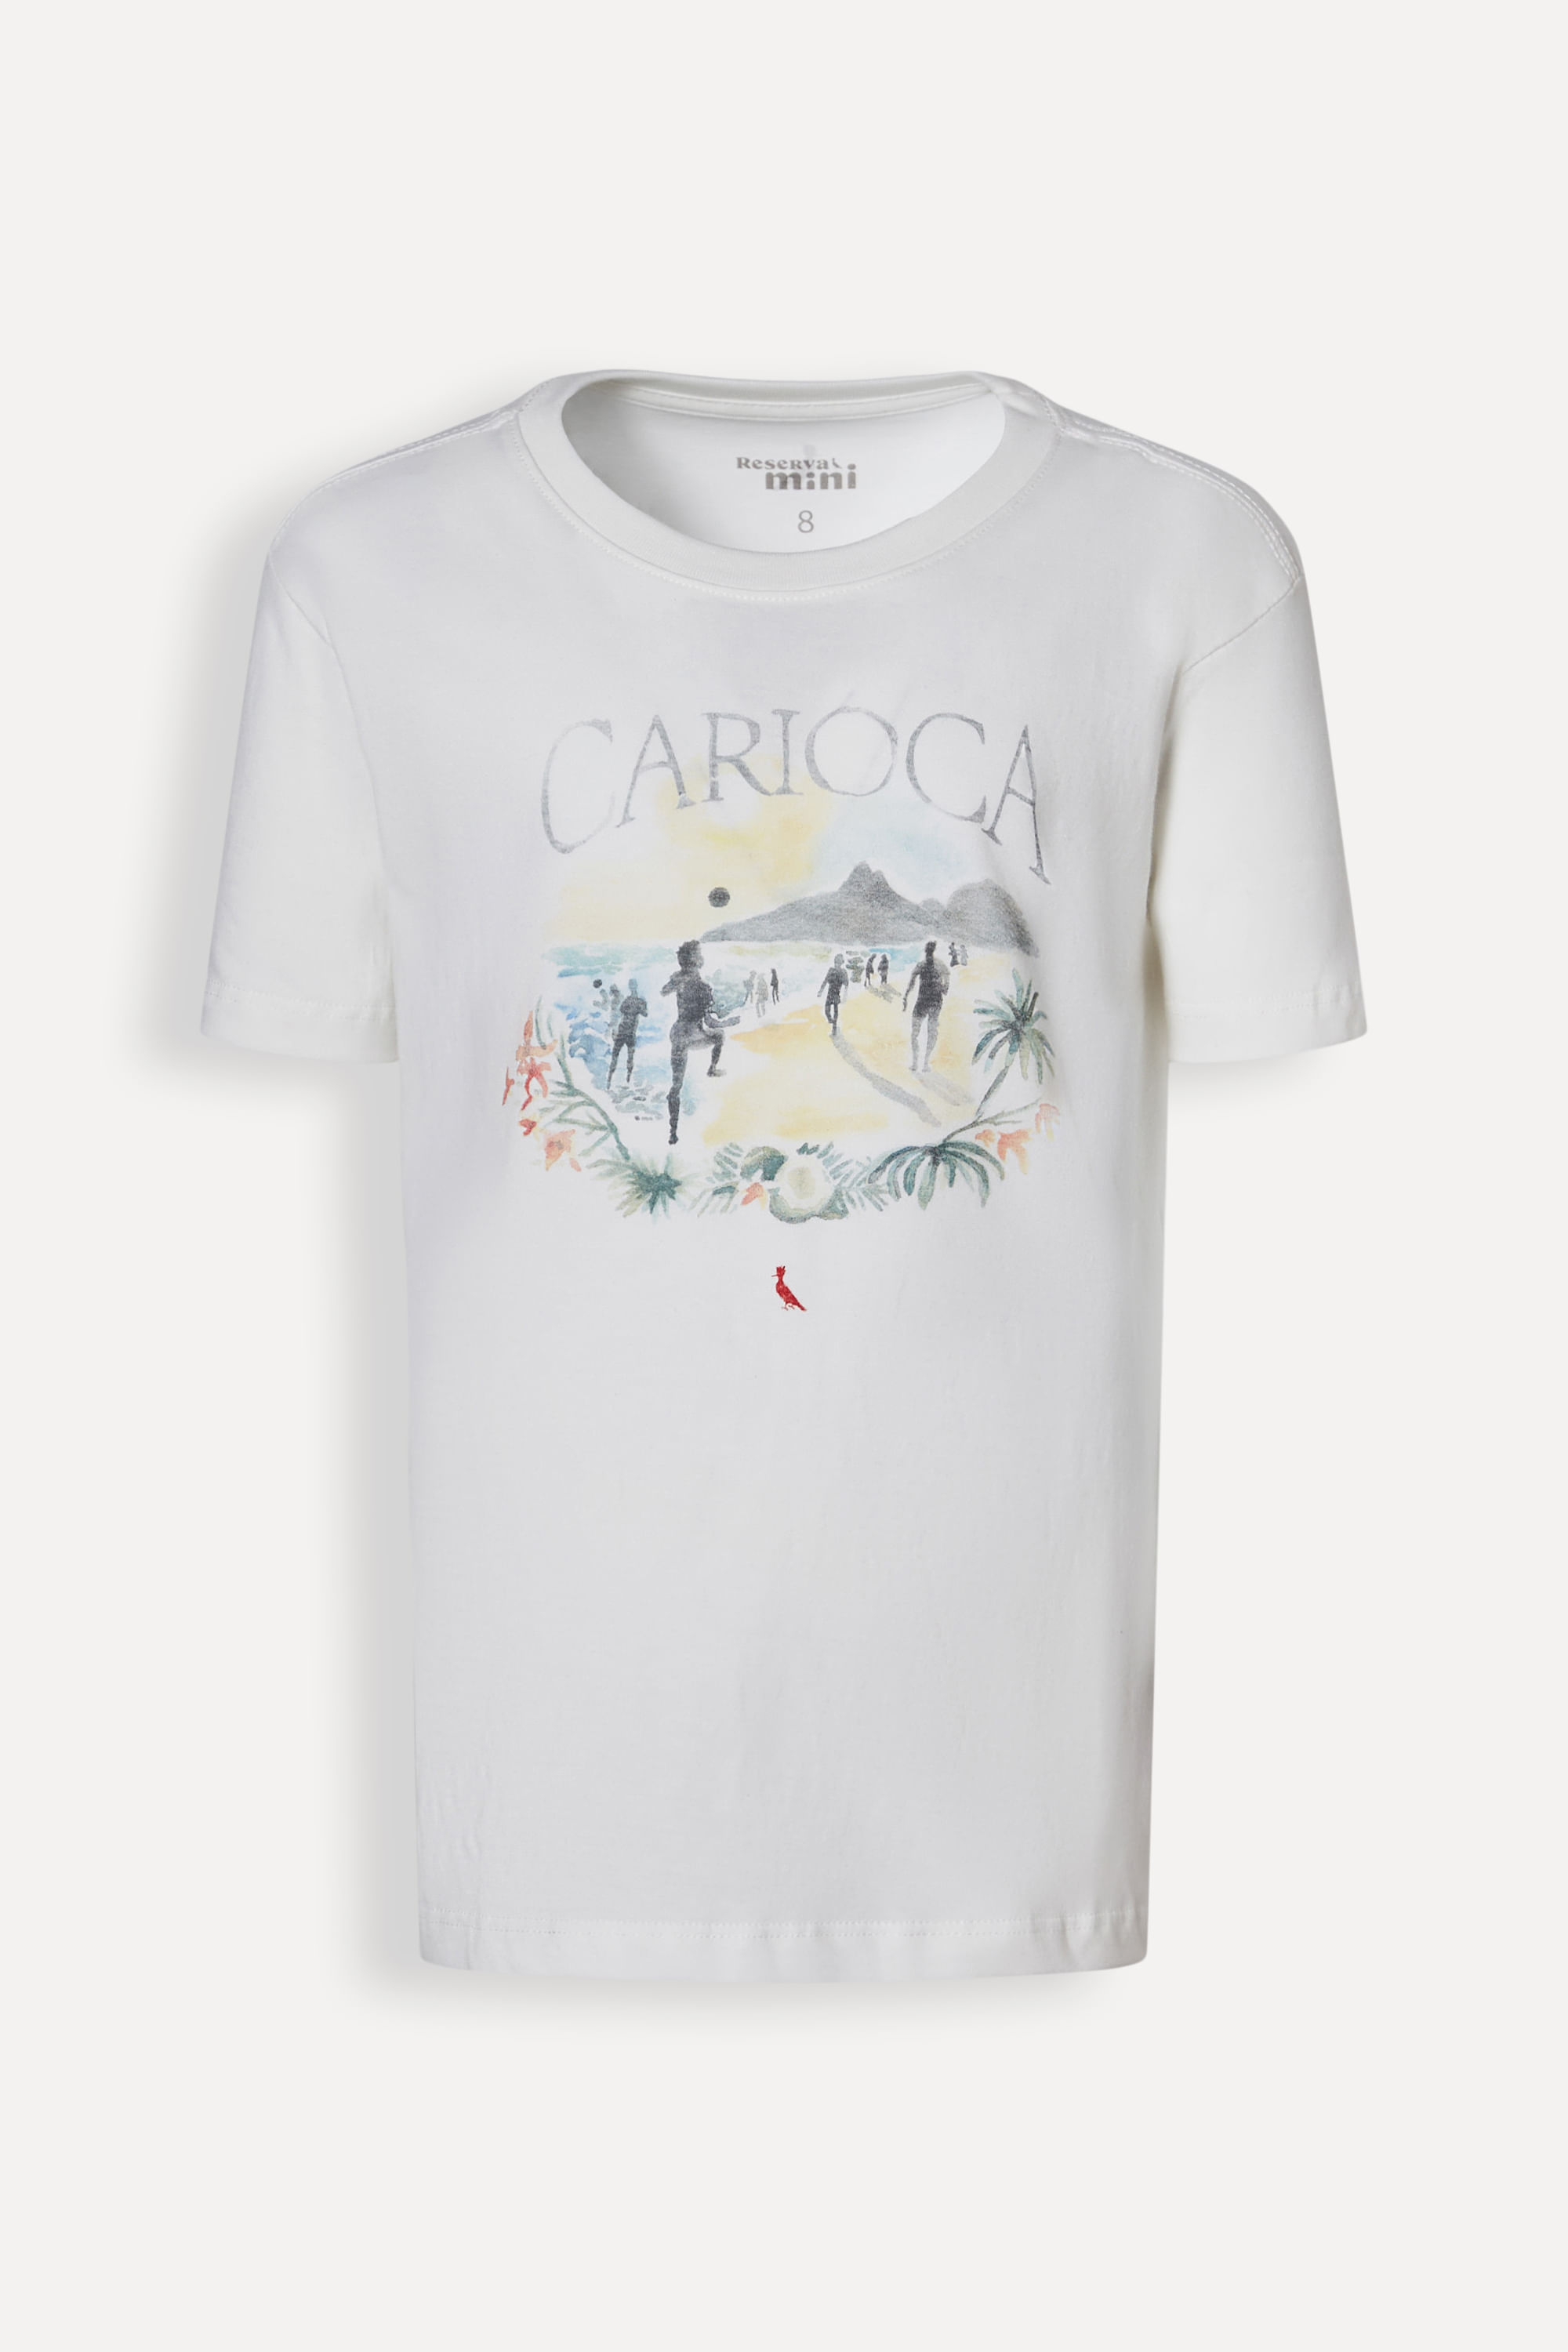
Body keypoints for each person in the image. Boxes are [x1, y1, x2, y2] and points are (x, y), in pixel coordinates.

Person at [661, 941, 731, 1143]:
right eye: (699, 954)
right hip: (694, 1034)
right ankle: (712, 1069)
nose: (702, 957)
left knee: (676, 1085)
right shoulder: (703, 987)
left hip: (678, 1033)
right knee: (719, 1035)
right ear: (696, 959)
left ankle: (673, 1133)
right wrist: (727, 1022)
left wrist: (678, 978)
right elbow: (710, 1022)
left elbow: (664, 991)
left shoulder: (678, 979)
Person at [902, 940, 949, 1072]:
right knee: (931, 1032)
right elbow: (946, 986)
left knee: (916, 1032)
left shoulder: (921, 965)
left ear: (925, 951)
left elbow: (911, 983)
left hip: (923, 1002)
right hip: (935, 1002)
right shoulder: (940, 965)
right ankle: (925, 1063)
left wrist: (906, 997)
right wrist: (942, 986)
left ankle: (916, 1063)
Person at [606, 976, 647, 1083]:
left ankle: (610, 1080)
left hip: (624, 1031)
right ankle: (626, 1079)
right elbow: (645, 1013)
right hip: (629, 1032)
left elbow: (620, 1014)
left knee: (617, 1055)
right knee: (628, 1057)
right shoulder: (639, 1001)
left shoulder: (629, 1001)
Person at [817, 952, 850, 1035]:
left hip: (836, 993)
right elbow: (825, 980)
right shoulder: (831, 970)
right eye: (836, 963)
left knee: (835, 1010)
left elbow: (846, 984)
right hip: (830, 993)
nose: (837, 964)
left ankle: (834, 1026)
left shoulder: (843, 972)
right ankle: (831, 1020)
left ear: (841, 963)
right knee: (827, 1010)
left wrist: (845, 995)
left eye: (838, 963)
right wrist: (821, 991)